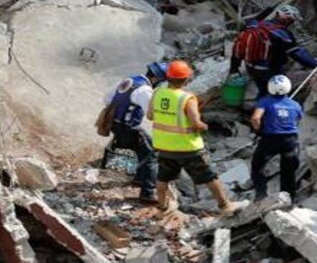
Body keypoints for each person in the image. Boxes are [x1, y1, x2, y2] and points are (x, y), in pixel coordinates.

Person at [146, 61, 249, 216]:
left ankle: (162, 207)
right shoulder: (187, 98)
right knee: (209, 176)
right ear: (187, 78)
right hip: (188, 148)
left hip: (164, 146)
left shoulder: (158, 93)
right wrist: (204, 127)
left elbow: (150, 115)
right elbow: (196, 124)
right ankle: (225, 206)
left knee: (163, 177)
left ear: (168, 77)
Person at [230, 4, 317, 100]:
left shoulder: (255, 25)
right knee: (277, 94)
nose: (291, 23)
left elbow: (240, 43)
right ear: (287, 20)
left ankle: (260, 108)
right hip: (269, 70)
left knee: (263, 90)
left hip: (250, 66)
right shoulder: (282, 33)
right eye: (291, 21)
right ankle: (270, 111)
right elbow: (297, 53)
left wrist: (233, 68)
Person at [105, 62, 168, 203]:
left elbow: (107, 99)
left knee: (144, 150)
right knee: (152, 154)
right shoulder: (145, 90)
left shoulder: (129, 80)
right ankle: (148, 193)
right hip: (129, 127)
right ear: (157, 79)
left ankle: (139, 179)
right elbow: (151, 114)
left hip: (115, 124)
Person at [250, 75, 302, 202]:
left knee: (257, 166)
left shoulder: (265, 101)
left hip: (270, 139)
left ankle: (261, 194)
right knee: (288, 171)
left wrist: (258, 130)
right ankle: (288, 198)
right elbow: (298, 119)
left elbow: (255, 118)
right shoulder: (295, 105)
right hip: (290, 140)